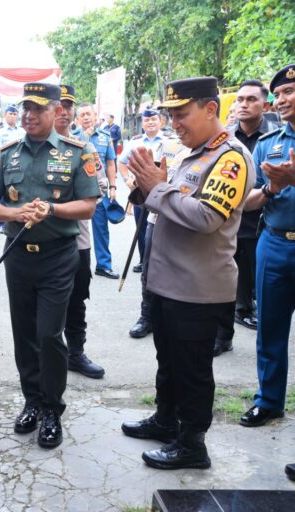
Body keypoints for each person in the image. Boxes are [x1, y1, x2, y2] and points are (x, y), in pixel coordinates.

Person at [121, 77, 254, 470]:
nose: (174, 122)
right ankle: (166, 421)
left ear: (210, 109)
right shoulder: (190, 154)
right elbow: (167, 201)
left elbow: (208, 217)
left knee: (192, 370)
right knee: (168, 360)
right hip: (167, 283)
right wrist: (145, 188)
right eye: (171, 115)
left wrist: (158, 189)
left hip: (198, 289)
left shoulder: (230, 158)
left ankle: (192, 444)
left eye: (182, 114)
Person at [0, 82, 100, 448]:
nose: (29, 115)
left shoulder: (79, 152)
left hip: (58, 256)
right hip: (17, 254)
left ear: (55, 110)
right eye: (24, 109)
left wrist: (51, 209)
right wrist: (15, 212)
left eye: (37, 108)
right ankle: (31, 401)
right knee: (24, 335)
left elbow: (88, 205)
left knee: (49, 334)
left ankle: (51, 408)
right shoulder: (7, 152)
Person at [237, 65, 295, 455]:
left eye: (291, 91)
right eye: (280, 93)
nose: (284, 99)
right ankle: (269, 400)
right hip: (274, 244)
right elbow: (247, 201)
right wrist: (274, 186)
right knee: (269, 329)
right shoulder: (269, 142)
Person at [222, 80, 281, 339]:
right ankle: (223, 336)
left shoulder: (277, 136)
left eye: (251, 100)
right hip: (232, 219)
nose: (243, 105)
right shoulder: (226, 137)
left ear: (266, 104)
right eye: (240, 99)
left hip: (265, 221)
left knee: (261, 281)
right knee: (227, 283)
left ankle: (255, 314)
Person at [54, 84, 105, 379]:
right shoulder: (30, 148)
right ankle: (50, 354)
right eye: (57, 106)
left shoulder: (85, 149)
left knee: (76, 298)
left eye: (68, 106)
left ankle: (76, 352)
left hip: (77, 238)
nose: (63, 112)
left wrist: (57, 203)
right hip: (42, 241)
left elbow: (97, 188)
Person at [118, 109, 173, 339]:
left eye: (154, 119)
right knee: (148, 266)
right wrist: (129, 181)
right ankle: (147, 316)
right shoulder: (135, 142)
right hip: (151, 211)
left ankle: (167, 317)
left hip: (174, 210)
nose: (150, 122)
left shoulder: (173, 143)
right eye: (146, 119)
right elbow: (123, 164)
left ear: (161, 122)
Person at [76, 103, 119, 279]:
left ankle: (103, 265)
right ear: (77, 119)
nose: (86, 118)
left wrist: (113, 186)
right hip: (79, 192)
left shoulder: (105, 136)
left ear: (95, 116)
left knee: (101, 228)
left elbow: (110, 163)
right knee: (78, 230)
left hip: (99, 191)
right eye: (82, 115)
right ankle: (77, 265)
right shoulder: (72, 137)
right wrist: (84, 139)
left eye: (89, 114)